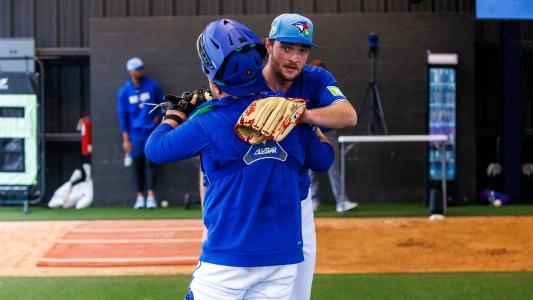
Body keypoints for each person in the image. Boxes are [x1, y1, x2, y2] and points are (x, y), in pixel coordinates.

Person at [144, 19, 334, 299]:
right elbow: (324, 159)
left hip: (226, 261)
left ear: (212, 74)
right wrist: (306, 123)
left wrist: (176, 114)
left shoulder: (209, 121)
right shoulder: (288, 113)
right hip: (281, 261)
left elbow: (155, 149)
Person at [260, 13, 358, 300]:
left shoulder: (314, 79)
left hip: (296, 200)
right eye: (286, 48)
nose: (294, 58)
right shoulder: (247, 79)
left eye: (302, 50)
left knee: (299, 292)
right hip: (252, 198)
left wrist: (300, 114)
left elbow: (348, 115)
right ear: (269, 45)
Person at [306, 59, 359, 213]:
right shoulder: (305, 87)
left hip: (328, 132)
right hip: (311, 132)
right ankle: (313, 200)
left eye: (322, 70)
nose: (319, 73)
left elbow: (346, 114)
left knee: (333, 166)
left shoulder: (327, 88)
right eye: (316, 70)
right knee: (310, 169)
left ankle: (341, 201)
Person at [117, 57, 163, 209]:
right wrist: (126, 140)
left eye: (141, 68)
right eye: (137, 69)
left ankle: (151, 196)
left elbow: (161, 105)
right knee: (137, 166)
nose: (140, 71)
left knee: (152, 163)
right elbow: (123, 117)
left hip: (151, 132)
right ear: (131, 71)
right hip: (135, 135)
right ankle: (139, 196)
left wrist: (156, 122)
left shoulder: (152, 85)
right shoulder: (124, 92)